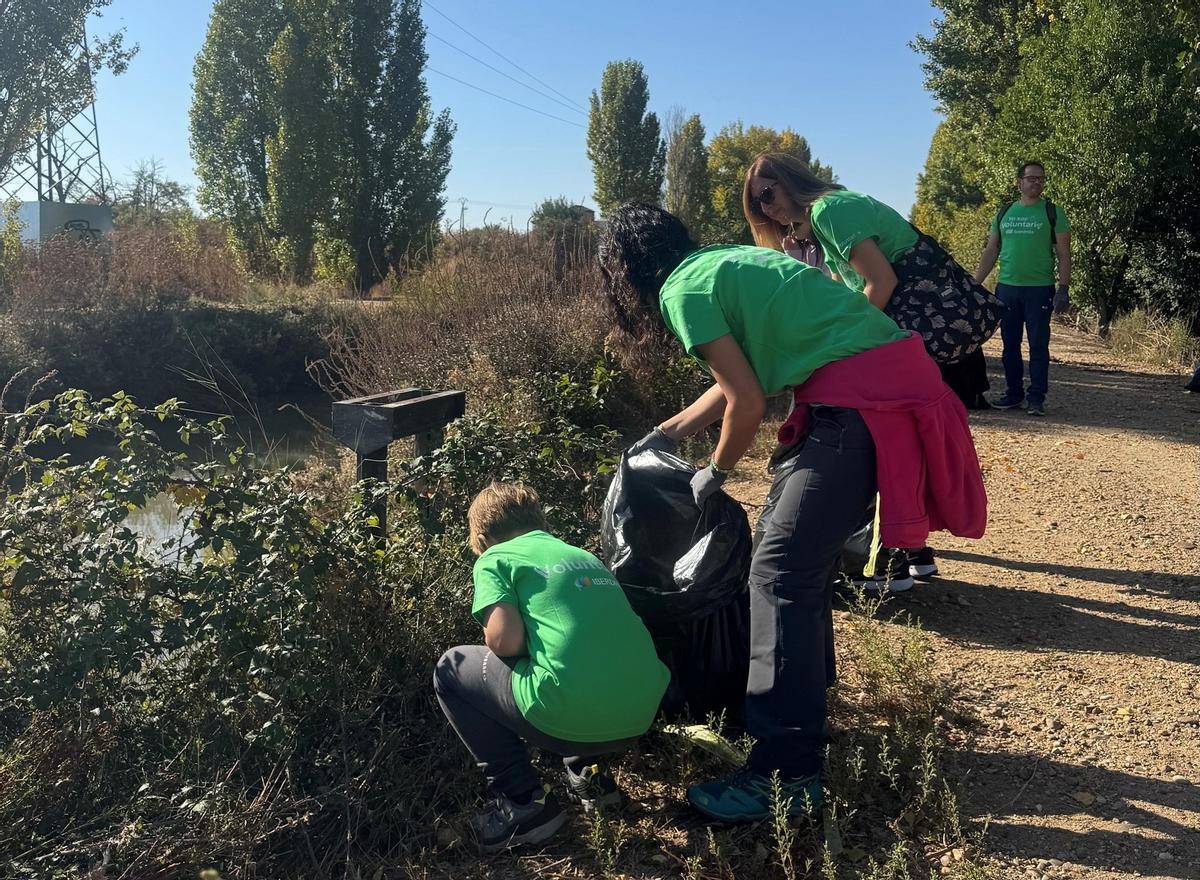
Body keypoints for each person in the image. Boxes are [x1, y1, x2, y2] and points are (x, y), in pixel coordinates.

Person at [600, 204, 986, 824]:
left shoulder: (681, 290)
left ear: (626, 271)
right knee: (798, 571)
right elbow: (738, 380)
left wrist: (716, 473)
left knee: (777, 575)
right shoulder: (729, 262)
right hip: (887, 390)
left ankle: (786, 772)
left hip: (861, 406)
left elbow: (747, 403)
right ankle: (804, 711)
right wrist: (669, 432)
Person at [741, 153, 999, 588]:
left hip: (913, 329)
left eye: (769, 193)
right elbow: (849, 291)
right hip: (915, 334)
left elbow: (881, 283)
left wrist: (839, 346)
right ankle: (913, 551)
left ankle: (883, 563)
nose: (767, 208)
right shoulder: (828, 216)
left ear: (791, 180)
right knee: (900, 440)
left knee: (878, 439)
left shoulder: (830, 210)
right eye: (758, 204)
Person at [433, 482, 669, 852]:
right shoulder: (582, 555)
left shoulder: (496, 557)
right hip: (640, 712)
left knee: (451, 668)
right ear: (539, 519)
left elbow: (504, 641)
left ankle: (525, 803)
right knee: (570, 655)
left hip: (566, 712)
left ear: (480, 537)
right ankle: (591, 777)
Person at [974, 161, 1072, 416]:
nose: (1036, 183)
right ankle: (1013, 393)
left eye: (1041, 179)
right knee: (1009, 344)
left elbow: (1064, 253)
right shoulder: (1004, 212)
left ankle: (1036, 397)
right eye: (1031, 178)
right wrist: (975, 283)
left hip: (1039, 288)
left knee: (1038, 344)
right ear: (1020, 182)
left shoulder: (1053, 212)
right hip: (1007, 288)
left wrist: (1063, 288)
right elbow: (991, 250)